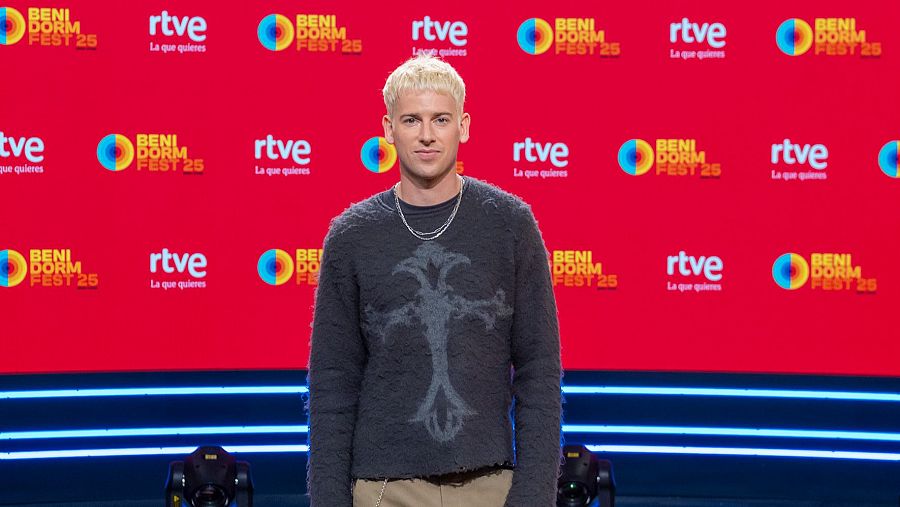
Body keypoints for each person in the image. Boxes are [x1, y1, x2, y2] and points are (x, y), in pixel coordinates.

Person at [307, 54, 562, 507]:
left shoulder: (509, 224)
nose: (426, 135)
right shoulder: (352, 235)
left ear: (463, 126)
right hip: (384, 488)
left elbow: (538, 372)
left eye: (440, 119)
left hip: (491, 487)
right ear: (388, 129)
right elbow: (333, 381)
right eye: (411, 120)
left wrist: (534, 495)